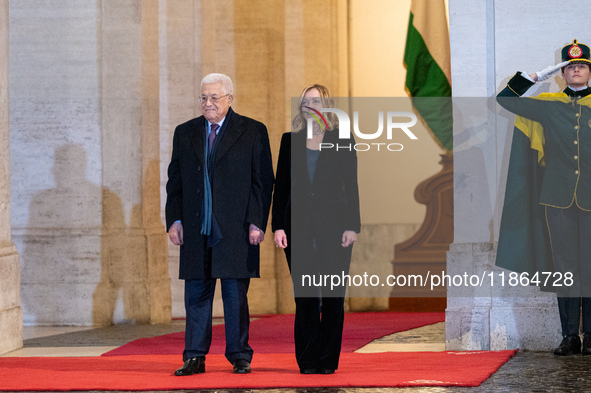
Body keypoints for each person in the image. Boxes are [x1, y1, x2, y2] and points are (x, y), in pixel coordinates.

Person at [166, 73, 274, 374]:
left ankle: (239, 354)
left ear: (230, 98)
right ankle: (194, 356)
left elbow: (262, 181)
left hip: (236, 229)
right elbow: (174, 181)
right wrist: (174, 219)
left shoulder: (252, 131)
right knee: (196, 295)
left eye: (214, 98)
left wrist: (257, 222)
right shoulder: (185, 132)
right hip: (196, 228)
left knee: (234, 295)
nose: (208, 103)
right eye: (204, 98)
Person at [496, 39, 591, 356]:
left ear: (589, 71)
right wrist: (535, 77)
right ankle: (569, 336)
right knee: (566, 267)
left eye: (582, 65)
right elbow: (505, 99)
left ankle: (589, 334)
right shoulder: (550, 104)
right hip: (558, 197)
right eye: (570, 66)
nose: (576, 69)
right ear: (562, 73)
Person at [272, 84, 360, 374]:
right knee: (306, 296)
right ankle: (308, 360)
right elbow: (281, 188)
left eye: (317, 101)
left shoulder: (343, 139)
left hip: (335, 229)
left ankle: (327, 360)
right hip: (297, 228)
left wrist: (351, 226)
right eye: (306, 101)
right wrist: (278, 226)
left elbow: (351, 186)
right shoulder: (290, 141)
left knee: (333, 296)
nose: (311, 105)